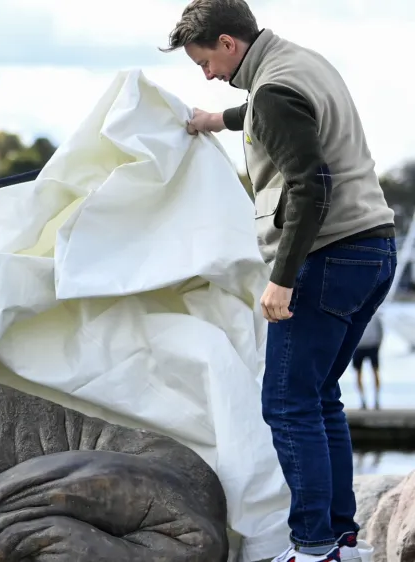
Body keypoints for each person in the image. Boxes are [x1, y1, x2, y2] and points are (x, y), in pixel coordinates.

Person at [164, 1, 396, 561]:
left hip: (327, 257)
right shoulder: (297, 64)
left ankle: (314, 548)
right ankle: (343, 541)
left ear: (227, 42)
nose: (208, 74)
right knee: (320, 399)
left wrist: (283, 281)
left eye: (204, 63)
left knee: (288, 404)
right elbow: (270, 116)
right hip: (373, 248)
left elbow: (311, 184)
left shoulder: (272, 91)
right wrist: (215, 120)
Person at [351, 311, 383, 410]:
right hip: (359, 347)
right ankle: (363, 400)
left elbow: (381, 332)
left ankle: (376, 400)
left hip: (371, 346)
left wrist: (377, 345)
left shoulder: (375, 315)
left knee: (375, 372)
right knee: (359, 374)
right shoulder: (354, 314)